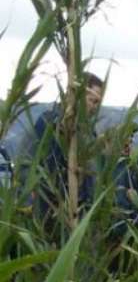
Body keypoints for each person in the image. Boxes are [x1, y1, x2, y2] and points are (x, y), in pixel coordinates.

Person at [20, 73, 106, 225]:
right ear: (77, 95)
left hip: (78, 213)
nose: (95, 107)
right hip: (49, 212)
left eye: (98, 103)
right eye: (93, 101)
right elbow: (28, 164)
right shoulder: (49, 123)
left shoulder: (88, 132)